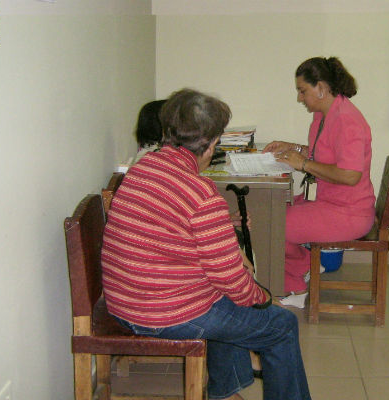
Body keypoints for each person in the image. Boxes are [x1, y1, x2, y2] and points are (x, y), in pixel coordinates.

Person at [101, 88, 311, 400]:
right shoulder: (201, 192)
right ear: (211, 144)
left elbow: (169, 230)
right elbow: (233, 282)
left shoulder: (142, 170)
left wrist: (224, 226)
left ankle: (225, 393)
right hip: (163, 317)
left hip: (122, 304)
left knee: (221, 301)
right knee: (280, 325)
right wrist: (265, 298)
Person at [263, 56, 376, 308]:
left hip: (349, 212)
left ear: (321, 88)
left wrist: (302, 164)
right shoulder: (324, 114)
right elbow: (322, 153)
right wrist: (291, 147)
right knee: (271, 212)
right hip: (329, 201)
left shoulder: (348, 121)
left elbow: (350, 175)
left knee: (273, 226)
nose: (299, 98)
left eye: (303, 91)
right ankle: (305, 269)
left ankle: (296, 284)